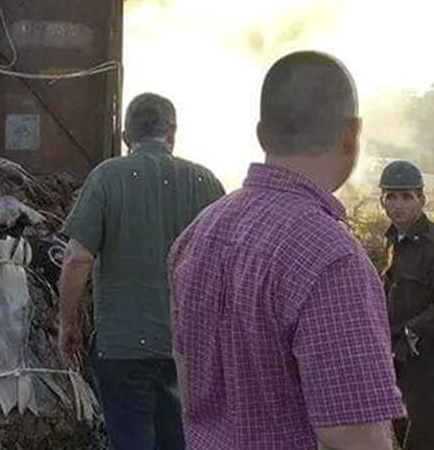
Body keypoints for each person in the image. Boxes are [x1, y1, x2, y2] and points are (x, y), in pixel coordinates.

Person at [170, 51, 404, 450]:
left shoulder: (198, 233)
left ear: (262, 134)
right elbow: (355, 435)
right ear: (351, 135)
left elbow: (187, 374)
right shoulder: (333, 258)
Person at [57, 93, 225, 449]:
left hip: (122, 348)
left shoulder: (107, 177)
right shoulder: (206, 183)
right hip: (186, 348)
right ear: (172, 134)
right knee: (178, 441)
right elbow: (228, 266)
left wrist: (67, 323)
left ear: (124, 137)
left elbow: (77, 259)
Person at [378, 160, 434, 449]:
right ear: (382, 200)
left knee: (423, 434)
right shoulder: (391, 240)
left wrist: (414, 330)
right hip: (396, 354)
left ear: (422, 200)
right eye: (391, 196)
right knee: (396, 424)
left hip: (426, 356)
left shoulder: (431, 244)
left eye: (406, 196)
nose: (397, 204)